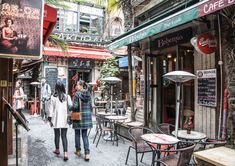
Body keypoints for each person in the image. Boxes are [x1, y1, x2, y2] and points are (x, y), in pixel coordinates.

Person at [48, 81, 72, 161]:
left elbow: (51, 109)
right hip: (65, 119)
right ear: (63, 88)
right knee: (64, 136)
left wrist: (50, 119)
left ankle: (57, 150)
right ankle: (65, 153)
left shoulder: (53, 97)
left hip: (56, 119)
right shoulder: (67, 96)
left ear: (56, 88)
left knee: (57, 135)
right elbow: (71, 107)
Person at [72, 80, 93, 161]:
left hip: (78, 117)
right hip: (86, 118)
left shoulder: (77, 94)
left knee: (77, 134)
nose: (76, 86)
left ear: (81, 86)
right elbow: (91, 106)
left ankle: (78, 151)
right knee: (85, 135)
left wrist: (70, 107)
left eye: (77, 85)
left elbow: (75, 107)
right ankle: (87, 154)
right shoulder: (88, 94)